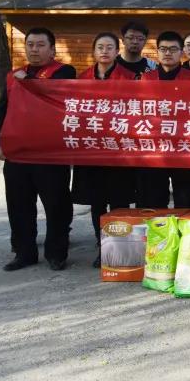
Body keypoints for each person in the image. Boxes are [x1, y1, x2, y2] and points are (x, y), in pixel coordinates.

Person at [0, 27, 77, 271]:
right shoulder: (14, 75)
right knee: (18, 205)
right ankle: (24, 252)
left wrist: (26, 82)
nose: (34, 50)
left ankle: (56, 253)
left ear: (52, 49)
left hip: (50, 153)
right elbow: (3, 109)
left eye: (40, 45)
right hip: (18, 152)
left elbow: (51, 94)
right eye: (30, 45)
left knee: (57, 205)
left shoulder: (64, 71)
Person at [73, 33, 136, 268]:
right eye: (100, 47)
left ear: (117, 51)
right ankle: (102, 247)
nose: (105, 51)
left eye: (110, 47)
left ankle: (120, 248)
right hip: (93, 151)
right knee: (97, 202)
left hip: (120, 152)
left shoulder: (130, 78)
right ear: (94, 51)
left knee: (119, 202)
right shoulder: (82, 78)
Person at [140, 31, 190, 210]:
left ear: (182, 52)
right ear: (157, 52)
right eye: (163, 49)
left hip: (183, 147)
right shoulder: (146, 78)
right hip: (155, 148)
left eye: (173, 49)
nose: (167, 53)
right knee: (155, 198)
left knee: (184, 199)